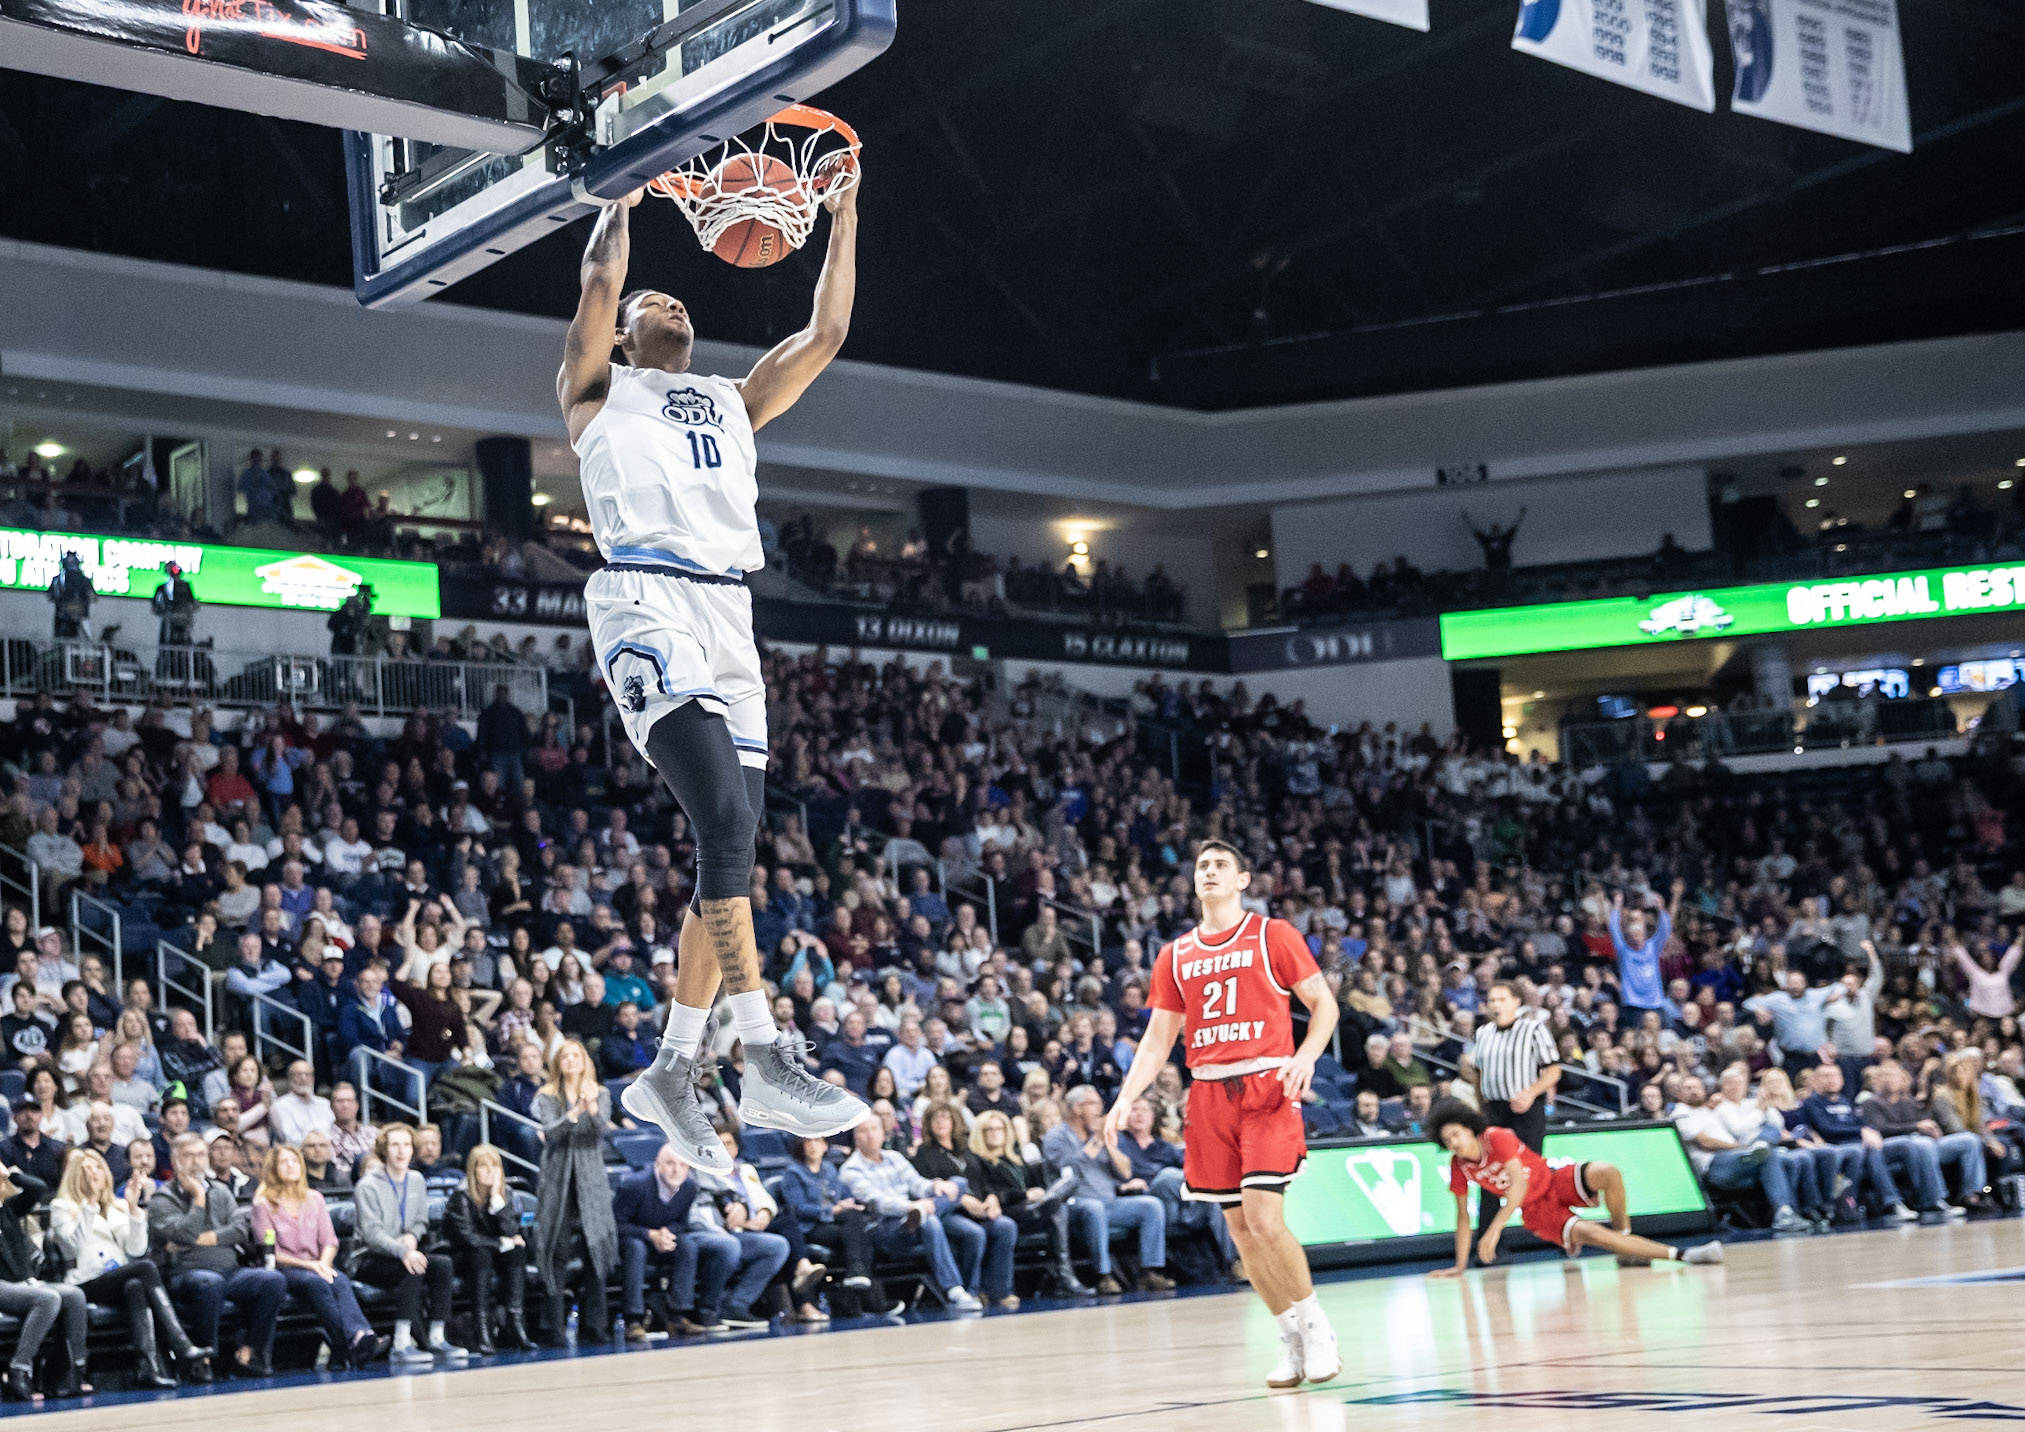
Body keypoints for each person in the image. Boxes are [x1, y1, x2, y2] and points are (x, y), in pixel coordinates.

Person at [559, 174, 867, 1170]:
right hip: (643, 596)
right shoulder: (597, 391)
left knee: (727, 857)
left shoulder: (734, 402)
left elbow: (824, 337)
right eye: (658, 302)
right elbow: (603, 276)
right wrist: (619, 197)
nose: (672, 304)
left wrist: (844, 220)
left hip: (729, 613)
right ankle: (762, 1052)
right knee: (725, 825)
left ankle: (673, 1065)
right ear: (622, 336)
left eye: (680, 299)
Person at [1102, 840, 1335, 1387]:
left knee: (1264, 1220)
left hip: (1266, 1085)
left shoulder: (1272, 934)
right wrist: (1126, 1096)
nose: (1208, 872)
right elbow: (1159, 1040)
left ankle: (1318, 1327)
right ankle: (1289, 1338)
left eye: (1219, 865)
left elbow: (1324, 1004)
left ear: (1243, 879)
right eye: (1201, 866)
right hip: (1207, 1094)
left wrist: (1306, 1057)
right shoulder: (1175, 954)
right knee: (1241, 1232)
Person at [1428, 1098, 1724, 1274]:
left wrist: (1493, 1231)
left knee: (1608, 1172)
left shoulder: (1496, 1137)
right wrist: (1459, 1265)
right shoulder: (1459, 1166)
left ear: (1470, 1127)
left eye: (1456, 1134)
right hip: (1537, 1210)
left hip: (1555, 1180)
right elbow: (1463, 1217)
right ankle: (1685, 1255)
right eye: (1448, 1141)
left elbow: (1517, 1185)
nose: (1454, 1143)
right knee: (1592, 1233)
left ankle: (1625, 1242)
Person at [50, 1148, 208, 1389]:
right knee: (144, 1269)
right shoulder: (61, 1206)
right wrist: (89, 1205)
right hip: (85, 1282)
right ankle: (181, 1344)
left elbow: (135, 1249)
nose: (94, 1173)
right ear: (74, 1175)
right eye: (87, 1169)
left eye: (98, 1168)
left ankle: (148, 1367)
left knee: (136, 1285)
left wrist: (134, 1210)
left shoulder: (118, 1205)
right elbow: (74, 1247)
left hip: (117, 1279)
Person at [146, 1131, 287, 1377]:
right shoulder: (162, 1199)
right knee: (209, 1283)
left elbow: (241, 1229)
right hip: (184, 1274)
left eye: (201, 1154)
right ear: (175, 1161)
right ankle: (203, 1359)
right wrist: (199, 1198)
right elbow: (183, 1232)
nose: (196, 1161)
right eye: (189, 1156)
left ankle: (249, 1352)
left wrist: (201, 1239)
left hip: (229, 1271)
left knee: (272, 1280)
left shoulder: (221, 1191)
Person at [251, 1144, 384, 1369]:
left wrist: (322, 1264)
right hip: (286, 1270)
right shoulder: (263, 1204)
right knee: (316, 1282)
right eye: (284, 1162)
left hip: (317, 1265)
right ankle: (346, 1344)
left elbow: (330, 1241)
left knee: (338, 1278)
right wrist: (312, 1266)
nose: (291, 1166)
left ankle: (360, 1334)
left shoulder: (315, 1198)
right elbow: (271, 1252)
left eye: (294, 1161)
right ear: (273, 1169)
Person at [839, 1115, 984, 1312]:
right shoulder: (850, 1169)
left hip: (917, 1214)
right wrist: (912, 1208)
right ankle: (954, 1290)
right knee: (930, 1221)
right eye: (863, 1131)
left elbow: (918, 1184)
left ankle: (971, 1292)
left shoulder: (894, 1157)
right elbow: (879, 1202)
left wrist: (936, 1185)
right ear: (856, 1137)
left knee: (958, 1185)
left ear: (883, 1133)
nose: (870, 1135)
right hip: (884, 1228)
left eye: (874, 1129)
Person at [351, 1123, 467, 1366]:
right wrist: (404, 1251)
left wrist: (413, 1237)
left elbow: (420, 1221)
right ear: (384, 1150)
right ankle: (402, 1344)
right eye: (395, 1145)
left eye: (406, 1145)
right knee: (412, 1267)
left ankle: (437, 1337)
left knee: (442, 1264)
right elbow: (372, 1234)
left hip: (405, 1251)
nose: (401, 1151)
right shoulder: (367, 1185)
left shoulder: (416, 1180)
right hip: (369, 1257)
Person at [1048, 1086, 1175, 1299]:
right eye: (1094, 1104)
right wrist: (1096, 1141)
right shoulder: (1057, 1136)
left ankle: (1150, 1271)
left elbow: (1125, 1172)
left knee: (1150, 1205)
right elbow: (1069, 1169)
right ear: (1078, 1108)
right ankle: (1104, 1275)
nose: (1100, 1110)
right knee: (1094, 1208)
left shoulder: (1102, 1135)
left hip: (1109, 1202)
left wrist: (1107, 1143)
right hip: (1074, 1205)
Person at [530, 1038, 616, 1345]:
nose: (570, 1060)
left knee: (595, 1251)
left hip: (591, 1179)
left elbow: (602, 1131)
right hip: (557, 1179)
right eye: (564, 1056)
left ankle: (595, 1326)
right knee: (557, 1250)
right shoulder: (546, 1096)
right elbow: (550, 1134)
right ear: (557, 1063)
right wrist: (576, 1111)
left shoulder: (601, 1092)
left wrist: (591, 1108)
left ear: (585, 1061)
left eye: (575, 1055)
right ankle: (552, 1327)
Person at [964, 1108, 1087, 1299]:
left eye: (1000, 1129)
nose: (996, 1133)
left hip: (1031, 1210)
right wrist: (1023, 1195)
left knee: (1062, 1198)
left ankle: (1049, 1202)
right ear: (980, 1133)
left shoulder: (1016, 1157)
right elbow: (987, 1194)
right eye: (989, 1129)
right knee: (1056, 1206)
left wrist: (1033, 1166)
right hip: (1006, 1211)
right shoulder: (976, 1160)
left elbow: (1037, 1183)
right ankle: (1065, 1277)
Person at [0, 1162, 89, 1400]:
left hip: (24, 1283)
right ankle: (19, 1369)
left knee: (74, 1295)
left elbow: (38, 1188)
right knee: (48, 1298)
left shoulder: (8, 1208)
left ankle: (71, 1372)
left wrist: (11, 1174)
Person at [444, 1144, 533, 1353]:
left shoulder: (506, 1193)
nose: (490, 1171)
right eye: (483, 1167)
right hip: (463, 1255)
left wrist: (497, 1203)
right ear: (473, 1170)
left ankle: (515, 1323)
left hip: (493, 1252)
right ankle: (481, 1327)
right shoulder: (461, 1196)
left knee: (517, 1252)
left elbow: (512, 1232)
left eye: (495, 1166)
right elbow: (468, 1238)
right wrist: (501, 1243)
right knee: (480, 1255)